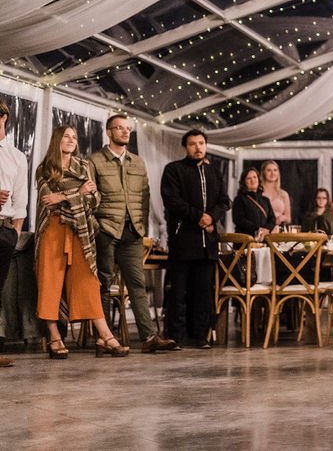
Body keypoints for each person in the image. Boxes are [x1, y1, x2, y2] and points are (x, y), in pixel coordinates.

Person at [35, 126, 129, 358]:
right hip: (53, 229)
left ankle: (105, 335)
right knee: (50, 282)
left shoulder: (84, 166)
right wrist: (78, 192)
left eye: (75, 137)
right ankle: (54, 337)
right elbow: (48, 201)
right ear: (57, 139)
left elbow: (94, 199)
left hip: (80, 230)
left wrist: (65, 195)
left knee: (88, 281)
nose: (71, 140)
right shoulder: (44, 169)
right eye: (66, 136)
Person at [89, 114, 178, 352]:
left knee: (137, 284)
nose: (125, 132)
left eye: (128, 129)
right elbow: (87, 198)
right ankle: (105, 338)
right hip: (106, 230)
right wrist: (96, 227)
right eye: (119, 128)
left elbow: (145, 197)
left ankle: (149, 338)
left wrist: (142, 227)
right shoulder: (94, 161)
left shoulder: (137, 162)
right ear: (108, 132)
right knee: (104, 284)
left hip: (133, 232)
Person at [161, 129, 230, 349]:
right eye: (193, 144)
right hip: (183, 241)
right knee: (178, 291)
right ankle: (174, 336)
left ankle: (200, 335)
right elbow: (172, 201)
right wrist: (198, 216)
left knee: (203, 292)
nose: (198, 147)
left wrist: (212, 217)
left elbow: (224, 201)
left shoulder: (215, 173)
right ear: (185, 147)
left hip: (207, 243)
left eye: (201, 143)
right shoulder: (174, 170)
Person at [0, 100, 28, 367]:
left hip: (5, 230)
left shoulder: (17, 156)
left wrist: (15, 233)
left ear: (4, 117)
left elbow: (21, 199)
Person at [232, 167, 277, 241]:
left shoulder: (265, 200)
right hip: (245, 241)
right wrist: (257, 229)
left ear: (258, 180)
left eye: (254, 177)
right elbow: (238, 219)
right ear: (244, 182)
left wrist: (267, 229)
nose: (252, 180)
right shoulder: (239, 199)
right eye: (249, 178)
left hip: (264, 240)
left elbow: (272, 218)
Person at [260, 160, 292, 230]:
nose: (272, 173)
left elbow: (288, 218)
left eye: (275, 170)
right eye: (269, 170)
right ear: (263, 173)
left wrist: (282, 218)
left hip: (278, 230)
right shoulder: (258, 193)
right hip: (262, 229)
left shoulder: (283, 194)